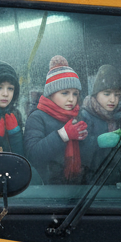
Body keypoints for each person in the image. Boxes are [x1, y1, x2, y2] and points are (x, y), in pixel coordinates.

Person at [23, 56, 88, 184]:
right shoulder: (37, 117)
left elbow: (87, 161)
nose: (71, 99)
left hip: (79, 189)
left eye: (75, 94)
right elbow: (33, 156)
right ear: (51, 94)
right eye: (65, 93)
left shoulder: (77, 116)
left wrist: (88, 140)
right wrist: (63, 135)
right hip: (48, 189)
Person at [77, 64, 121, 177]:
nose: (113, 99)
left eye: (117, 95)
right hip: (93, 180)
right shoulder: (84, 117)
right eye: (107, 94)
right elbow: (79, 154)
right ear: (95, 94)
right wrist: (96, 142)